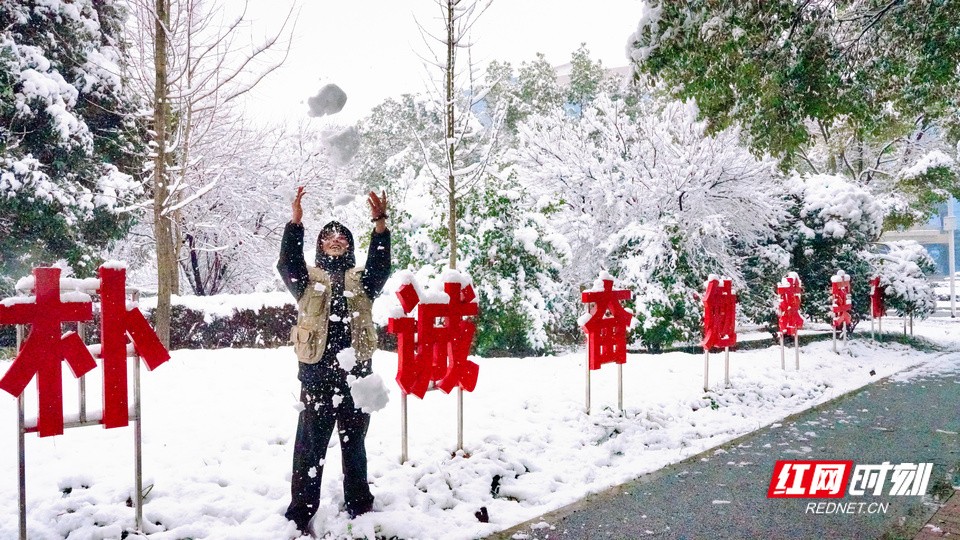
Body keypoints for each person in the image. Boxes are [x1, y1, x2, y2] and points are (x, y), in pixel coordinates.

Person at [277, 186, 391, 535]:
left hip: (356, 378)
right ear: (320, 244)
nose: (335, 239)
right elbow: (287, 262)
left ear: (349, 245)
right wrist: (295, 224)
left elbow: (380, 265)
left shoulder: (362, 281)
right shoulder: (306, 282)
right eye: (328, 236)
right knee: (310, 449)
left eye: (342, 236)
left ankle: (359, 503)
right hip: (316, 377)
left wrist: (380, 224)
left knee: (354, 446)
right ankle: (300, 512)